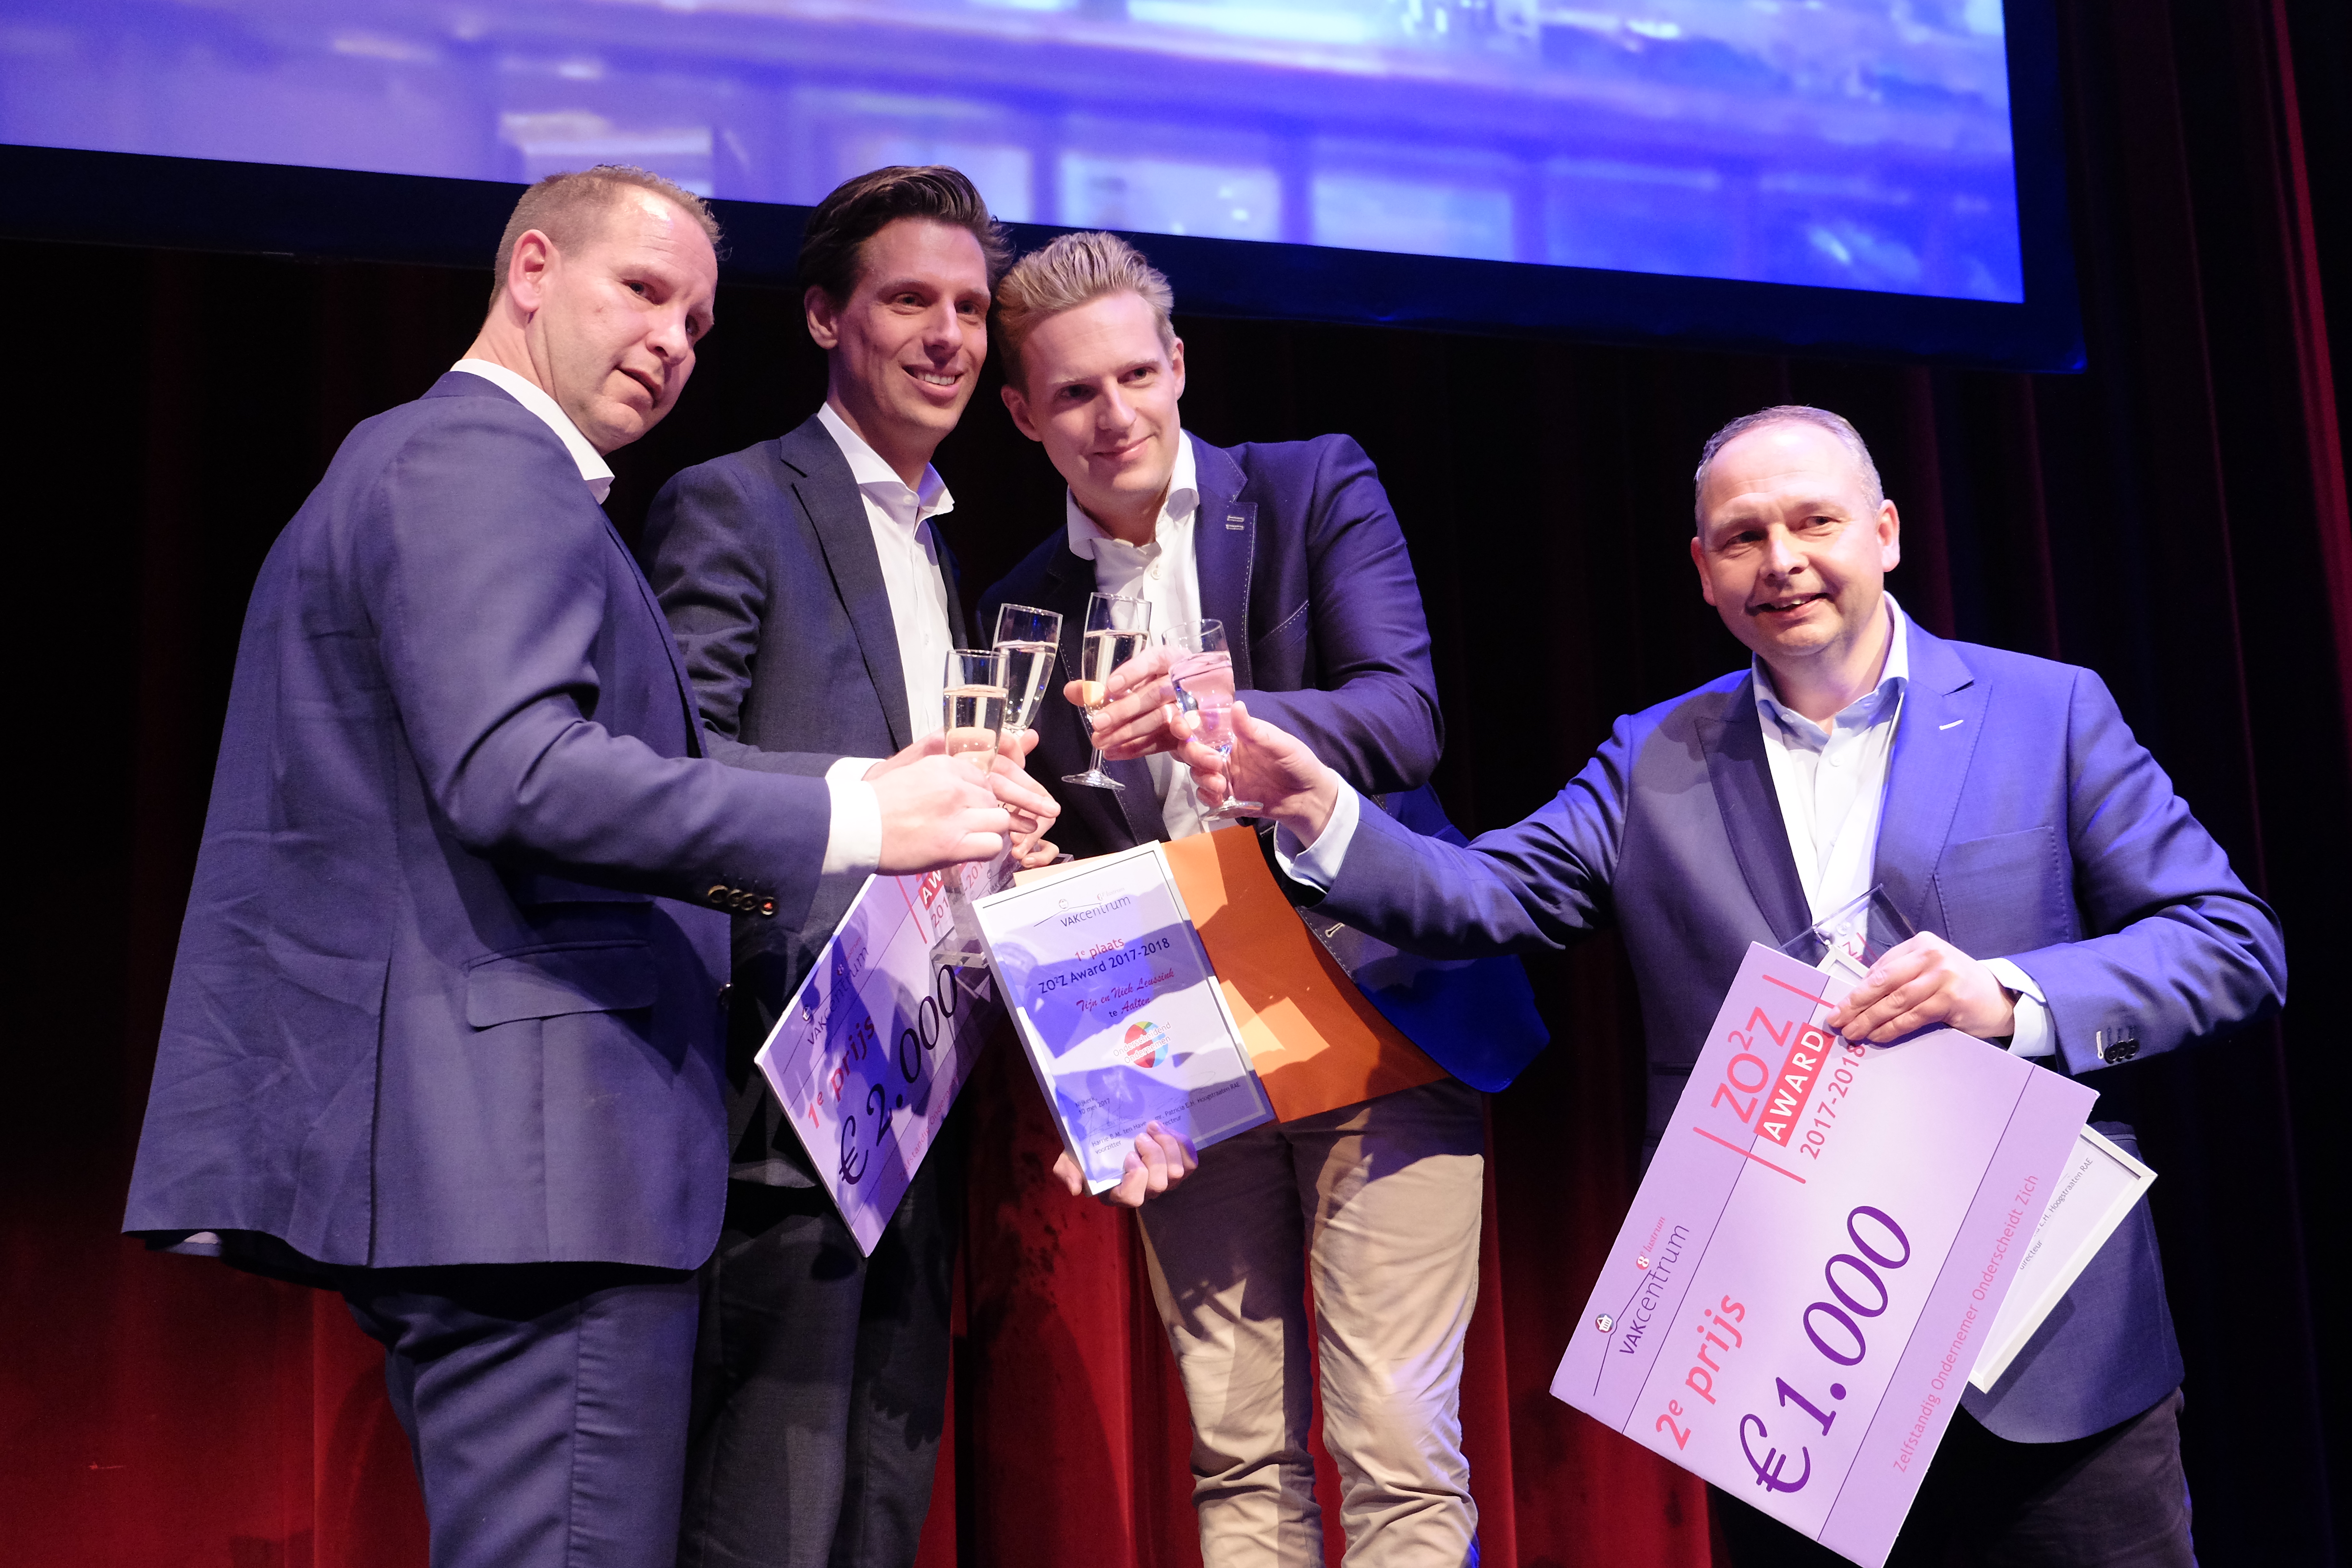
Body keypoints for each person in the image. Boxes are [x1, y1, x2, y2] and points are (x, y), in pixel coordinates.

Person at [1198, 405, 2288, 1568]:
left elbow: (2230, 943)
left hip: (2048, 1358)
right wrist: (1320, 810)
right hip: (1785, 1374)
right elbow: (1476, 900)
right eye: (1741, 536)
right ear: (1704, 575)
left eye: (1815, 521)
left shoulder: (2050, 712)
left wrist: (2010, 998)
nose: (1782, 561)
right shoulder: (1653, 755)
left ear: (1886, 531)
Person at [120, 166, 1013, 1568]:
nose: (673, 340)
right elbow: (518, 772)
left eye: (700, 321)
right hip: (538, 1176)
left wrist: (858, 781)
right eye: (642, 292)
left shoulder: (432, 463)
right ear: (531, 270)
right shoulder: (481, 462)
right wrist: (862, 828)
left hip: (499, 1172)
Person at [980, 229, 1493, 1566]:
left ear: (1181, 367)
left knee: (1395, 1443)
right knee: (1239, 1459)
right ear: (1024, 413)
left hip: (1377, 1016)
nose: (1115, 416)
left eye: (1138, 376)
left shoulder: (1313, 488)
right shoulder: (1021, 607)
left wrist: (1225, 716)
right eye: (1075, 394)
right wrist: (1093, 1085)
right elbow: (1060, 883)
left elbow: (1406, 715)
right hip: (1189, 1068)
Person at [637, 166, 1072, 1568]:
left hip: (915, 1094)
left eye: (966, 308)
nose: (948, 335)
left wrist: (1001, 838)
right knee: (771, 1515)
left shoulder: (947, 557)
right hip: (784, 1099)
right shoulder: (733, 501)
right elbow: (674, 767)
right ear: (827, 316)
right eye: (909, 302)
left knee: (881, 1513)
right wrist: (883, 803)